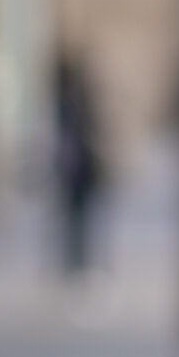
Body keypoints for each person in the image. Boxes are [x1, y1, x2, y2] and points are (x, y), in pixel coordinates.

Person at [51, 51, 106, 276]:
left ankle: (77, 258)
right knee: (74, 217)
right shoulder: (66, 106)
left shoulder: (74, 105)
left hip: (78, 168)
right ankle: (74, 258)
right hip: (74, 168)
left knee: (79, 217)